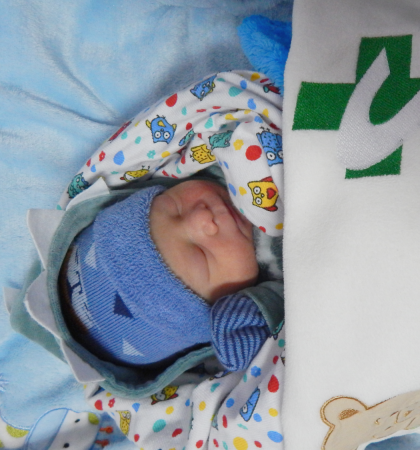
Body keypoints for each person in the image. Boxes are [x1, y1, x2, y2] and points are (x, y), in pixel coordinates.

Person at [52, 70, 287, 448]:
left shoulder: (219, 155)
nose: (202, 219)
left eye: (173, 207)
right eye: (201, 256)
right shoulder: (262, 308)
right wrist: (258, 315)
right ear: (219, 314)